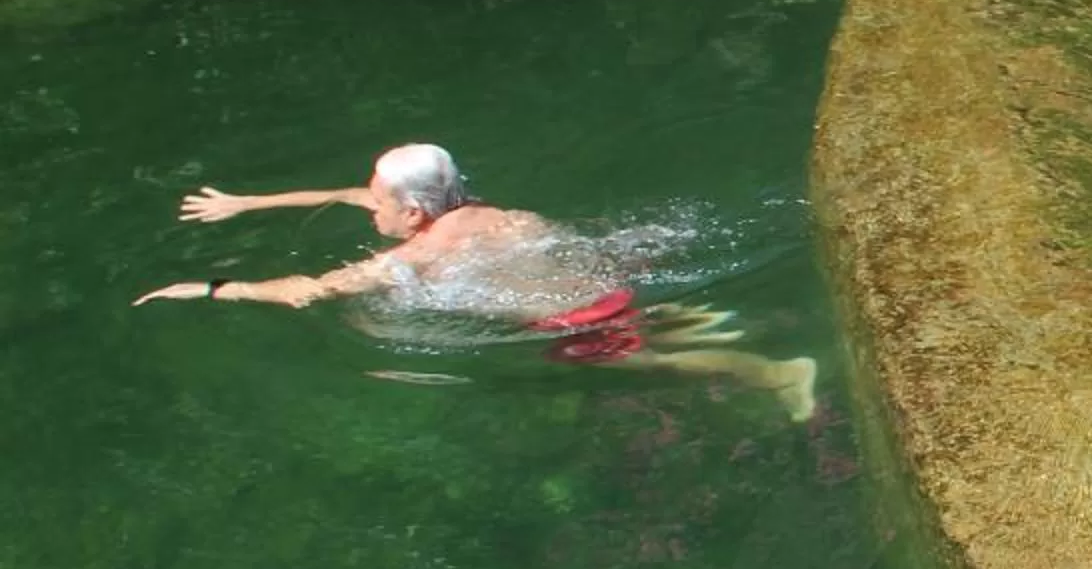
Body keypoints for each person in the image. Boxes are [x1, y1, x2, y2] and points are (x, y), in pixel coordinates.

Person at [136, 143, 817, 421]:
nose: (366, 206)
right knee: (636, 322)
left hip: (574, 324)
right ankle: (700, 322)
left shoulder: (413, 260)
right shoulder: (488, 215)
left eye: (378, 203)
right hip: (609, 277)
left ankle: (774, 372)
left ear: (412, 212)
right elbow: (345, 191)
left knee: (655, 366)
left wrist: (211, 289)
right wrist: (247, 204)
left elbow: (305, 291)